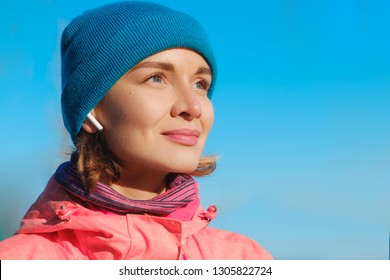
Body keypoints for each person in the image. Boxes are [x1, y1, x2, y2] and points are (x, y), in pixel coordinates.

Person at [0, 1, 272, 260]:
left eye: (200, 84)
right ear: (91, 108)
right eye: (156, 78)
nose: (193, 106)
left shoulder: (245, 259)